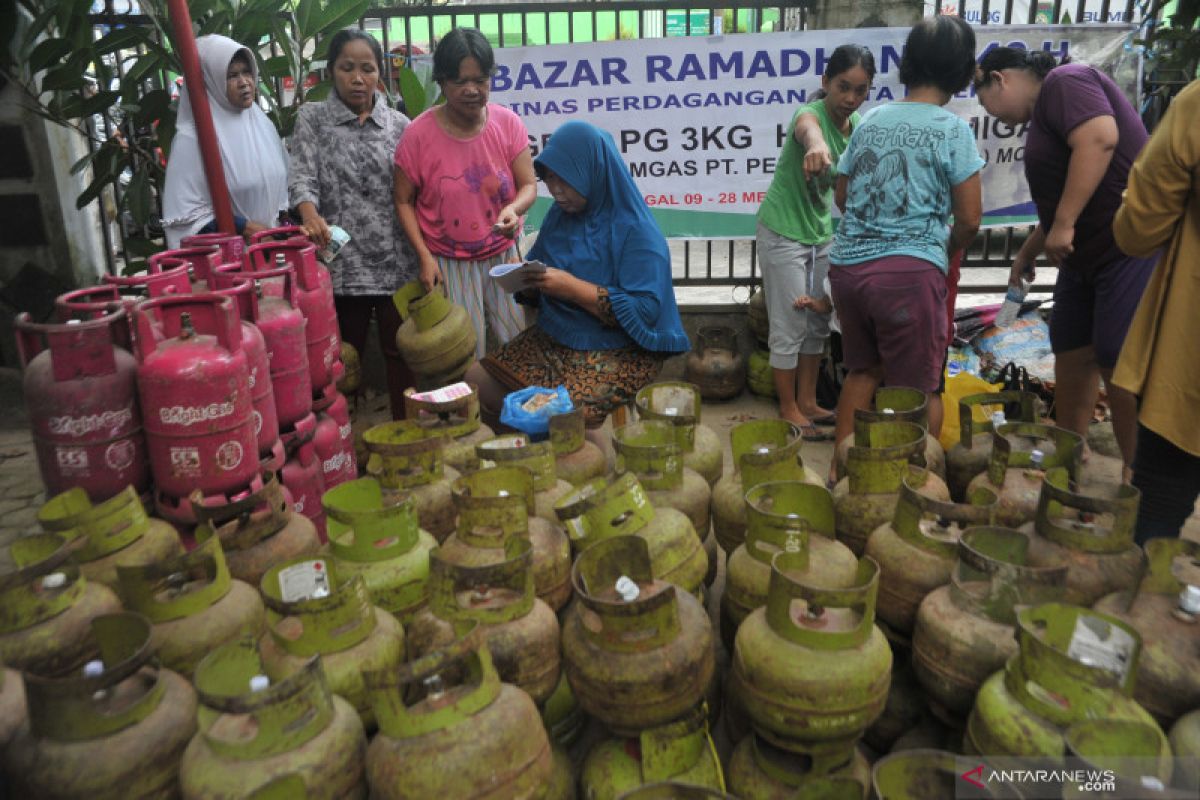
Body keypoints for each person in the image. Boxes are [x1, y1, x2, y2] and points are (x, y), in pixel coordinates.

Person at [974, 48, 1154, 480]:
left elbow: (1099, 138)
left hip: (1124, 246)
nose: (992, 115)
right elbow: (1064, 194)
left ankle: (1140, 472)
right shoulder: (1046, 111)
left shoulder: (1065, 81)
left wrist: (1065, 224)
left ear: (999, 79)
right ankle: (1071, 450)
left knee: (1115, 353)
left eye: (984, 102)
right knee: (1070, 345)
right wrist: (1029, 250)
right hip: (1081, 256)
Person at [463, 121, 690, 437]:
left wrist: (571, 288)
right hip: (558, 335)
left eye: (565, 180)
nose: (556, 190)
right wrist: (525, 276)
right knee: (475, 382)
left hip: (620, 349)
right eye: (550, 179)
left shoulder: (638, 232)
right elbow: (544, 274)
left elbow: (644, 312)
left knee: (566, 419)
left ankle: (579, 460)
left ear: (593, 173)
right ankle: (534, 450)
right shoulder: (560, 215)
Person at [828, 16, 983, 475]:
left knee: (862, 372)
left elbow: (841, 193)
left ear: (908, 63)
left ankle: (841, 472)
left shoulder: (871, 118)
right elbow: (970, 219)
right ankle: (912, 482)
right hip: (910, 277)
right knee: (921, 390)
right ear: (961, 72)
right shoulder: (953, 131)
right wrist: (940, 249)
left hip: (849, 271)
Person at [290, 29, 416, 419]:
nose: (358, 78)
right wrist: (310, 214)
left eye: (367, 69)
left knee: (402, 354)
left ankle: (405, 432)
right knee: (343, 359)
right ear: (331, 71)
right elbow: (302, 179)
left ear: (380, 74)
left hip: (396, 264)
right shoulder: (313, 119)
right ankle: (344, 443)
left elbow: (415, 190)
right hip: (341, 264)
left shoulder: (400, 126)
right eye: (347, 68)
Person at [394, 27, 536, 360]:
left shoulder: (508, 124)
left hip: (505, 255)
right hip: (449, 263)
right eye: (460, 82)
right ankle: (471, 411)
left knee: (523, 344)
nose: (472, 90)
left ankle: (519, 412)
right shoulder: (417, 136)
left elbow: (529, 185)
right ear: (441, 82)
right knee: (464, 355)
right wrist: (425, 257)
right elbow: (403, 201)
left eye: (480, 80)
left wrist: (513, 209)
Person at [756, 44, 876, 441]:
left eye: (860, 90)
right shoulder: (808, 115)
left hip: (821, 233)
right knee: (789, 321)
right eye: (843, 87)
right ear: (825, 82)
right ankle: (787, 406)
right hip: (783, 231)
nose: (849, 99)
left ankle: (807, 400)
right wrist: (817, 145)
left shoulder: (858, 126)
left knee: (819, 319)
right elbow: (808, 128)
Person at [1111, 79, 1200, 542]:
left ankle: (1139, 595)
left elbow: (1138, 230)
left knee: (1157, 511)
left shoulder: (1196, 105)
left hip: (1190, 353)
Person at [162, 34, 288, 247]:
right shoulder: (193, 138)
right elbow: (186, 218)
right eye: (232, 76)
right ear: (210, 81)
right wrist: (243, 227)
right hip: (231, 264)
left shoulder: (261, 123)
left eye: (247, 72)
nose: (244, 83)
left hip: (273, 252)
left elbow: (284, 187)